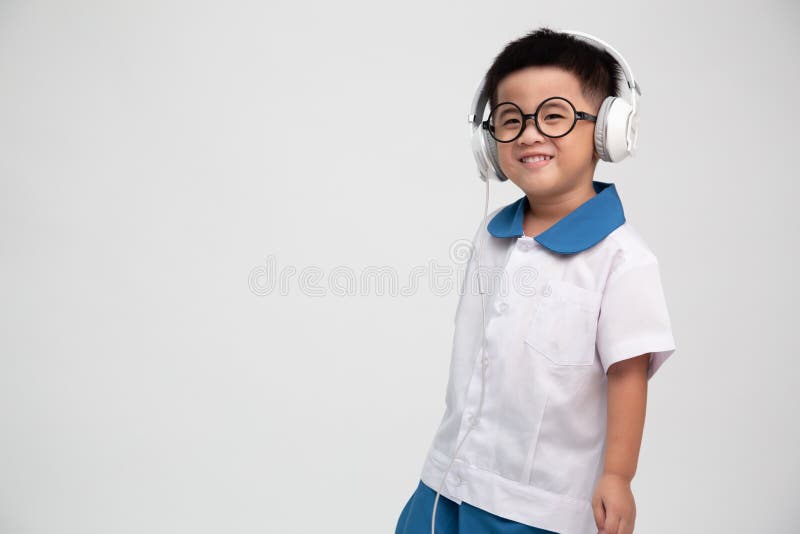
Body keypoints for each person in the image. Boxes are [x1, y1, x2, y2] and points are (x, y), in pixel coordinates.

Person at [394, 27, 677, 534]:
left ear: (607, 130)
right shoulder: (491, 233)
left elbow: (627, 374)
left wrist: (618, 474)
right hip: (445, 482)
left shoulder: (622, 258)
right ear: (489, 140)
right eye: (510, 120)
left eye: (554, 116)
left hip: (535, 505)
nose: (529, 134)